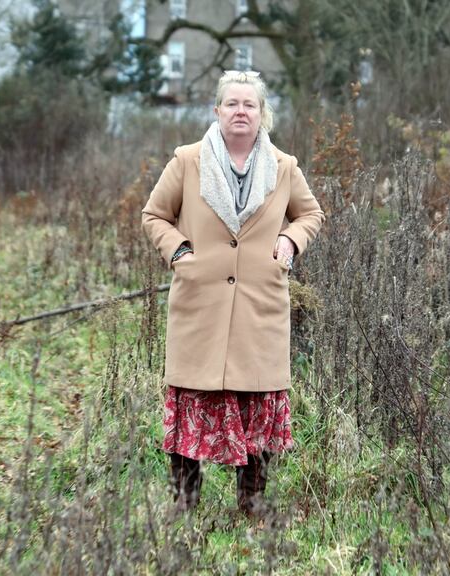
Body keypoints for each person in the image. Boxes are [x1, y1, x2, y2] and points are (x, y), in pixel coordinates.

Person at [141, 70, 325, 517]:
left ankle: (252, 505)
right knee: (191, 399)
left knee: (258, 402)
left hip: (260, 307)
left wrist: (291, 240)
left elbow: (311, 214)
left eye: (250, 105)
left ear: (263, 115)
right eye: (232, 104)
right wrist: (179, 251)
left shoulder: (284, 168)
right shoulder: (187, 161)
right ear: (217, 111)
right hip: (199, 305)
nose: (241, 111)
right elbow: (154, 215)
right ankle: (184, 504)